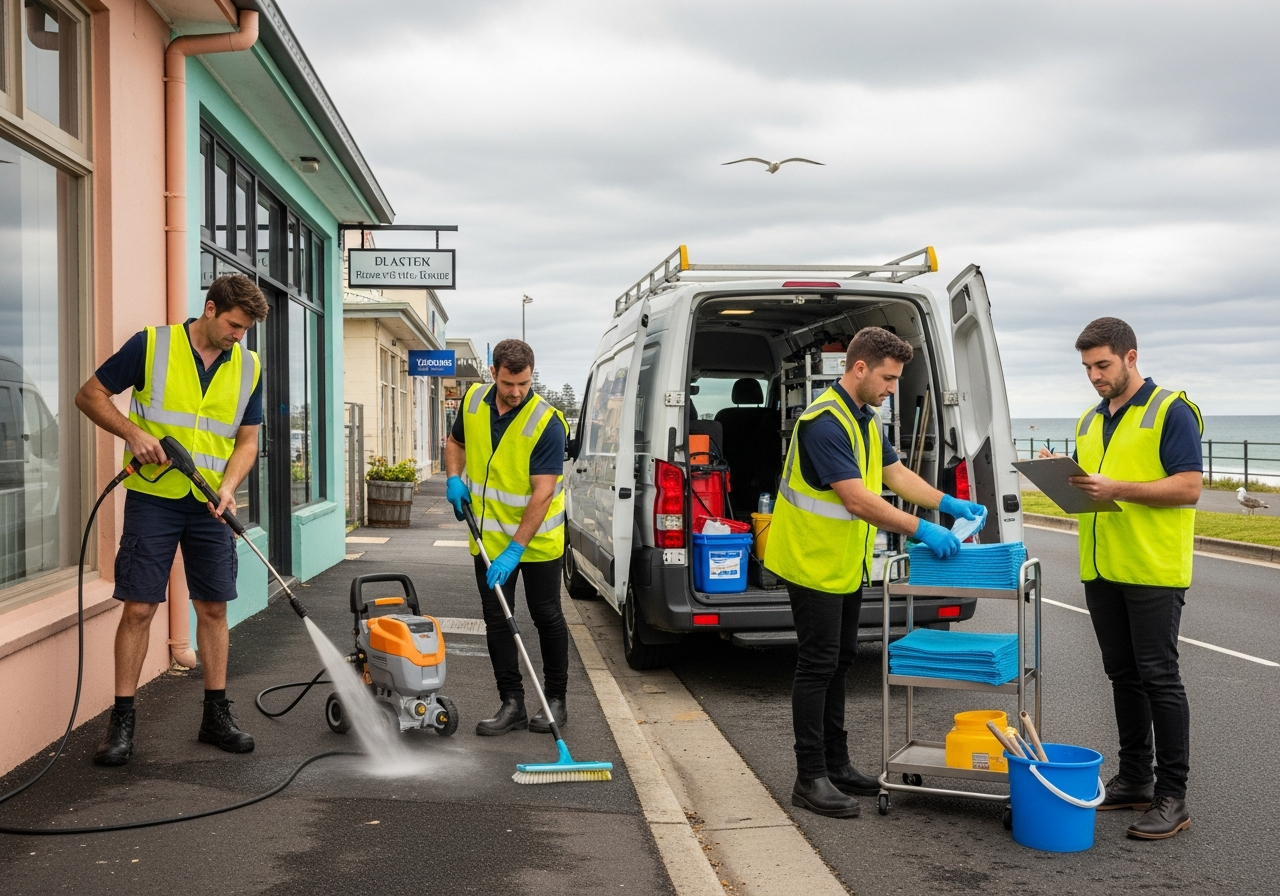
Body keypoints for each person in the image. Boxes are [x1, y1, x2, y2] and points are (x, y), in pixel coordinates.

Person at [765, 327, 986, 818]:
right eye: (888, 378)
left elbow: (894, 474)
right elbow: (856, 499)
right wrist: (922, 529)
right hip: (811, 562)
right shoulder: (823, 422)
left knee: (841, 660)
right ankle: (810, 777)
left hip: (843, 563)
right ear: (859, 368)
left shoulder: (862, 417)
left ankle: (837, 765)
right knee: (817, 665)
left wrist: (947, 501)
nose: (892, 388)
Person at [75, 275, 267, 766]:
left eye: (245, 330)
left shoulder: (248, 366)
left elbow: (247, 440)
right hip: (153, 498)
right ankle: (121, 723)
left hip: (211, 504)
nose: (238, 336)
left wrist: (229, 487)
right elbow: (90, 394)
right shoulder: (152, 345)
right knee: (139, 608)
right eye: (233, 325)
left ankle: (215, 715)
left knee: (214, 609)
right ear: (209, 309)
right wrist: (133, 433)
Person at [1038, 316, 1201, 840]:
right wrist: (1060, 477)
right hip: (1102, 567)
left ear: (1131, 356)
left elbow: (1189, 488)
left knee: (1159, 677)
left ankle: (1172, 795)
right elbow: (1092, 493)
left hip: (1153, 567)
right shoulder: (1089, 420)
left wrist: (1118, 488)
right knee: (1122, 676)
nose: (1094, 376)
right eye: (1087, 367)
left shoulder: (1171, 410)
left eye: (1102, 365)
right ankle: (1134, 779)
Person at [443, 339, 570, 736]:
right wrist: (452, 476)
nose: (516, 393)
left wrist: (517, 548)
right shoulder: (473, 401)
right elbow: (456, 442)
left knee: (545, 614)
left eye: (524, 384)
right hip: (488, 539)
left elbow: (543, 491)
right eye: (508, 383)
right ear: (494, 372)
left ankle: (555, 700)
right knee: (496, 619)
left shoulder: (546, 422)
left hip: (538, 542)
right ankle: (511, 703)